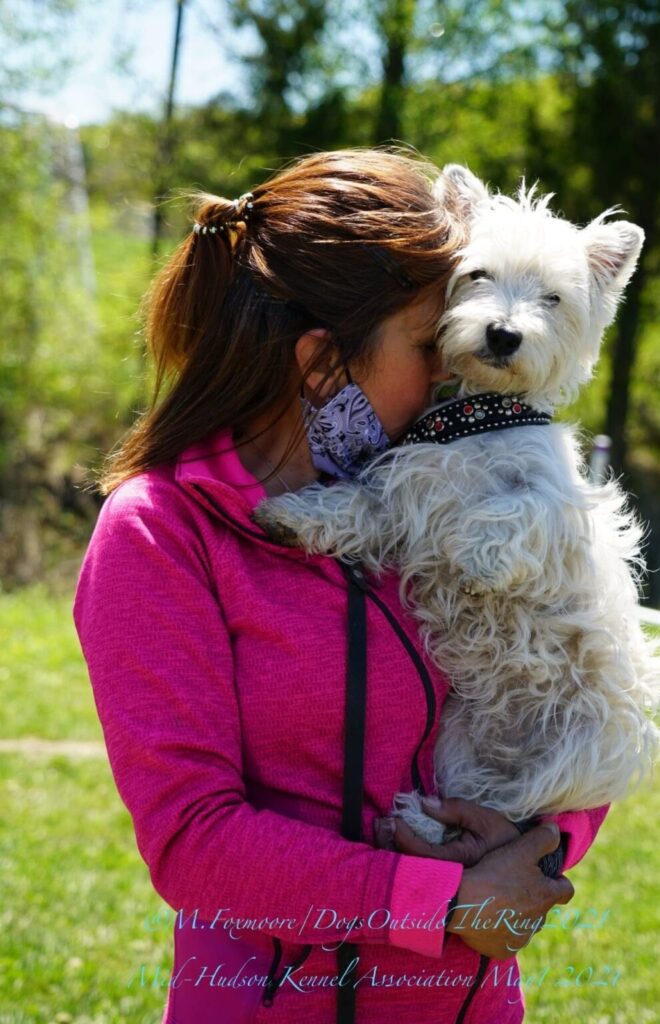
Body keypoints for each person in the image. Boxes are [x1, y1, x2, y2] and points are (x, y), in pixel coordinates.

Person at [73, 148, 609, 1024]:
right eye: (426, 343)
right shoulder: (160, 532)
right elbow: (192, 839)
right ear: (323, 363)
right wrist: (436, 902)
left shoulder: (458, 495)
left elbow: (575, 687)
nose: (450, 368)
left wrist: (542, 848)